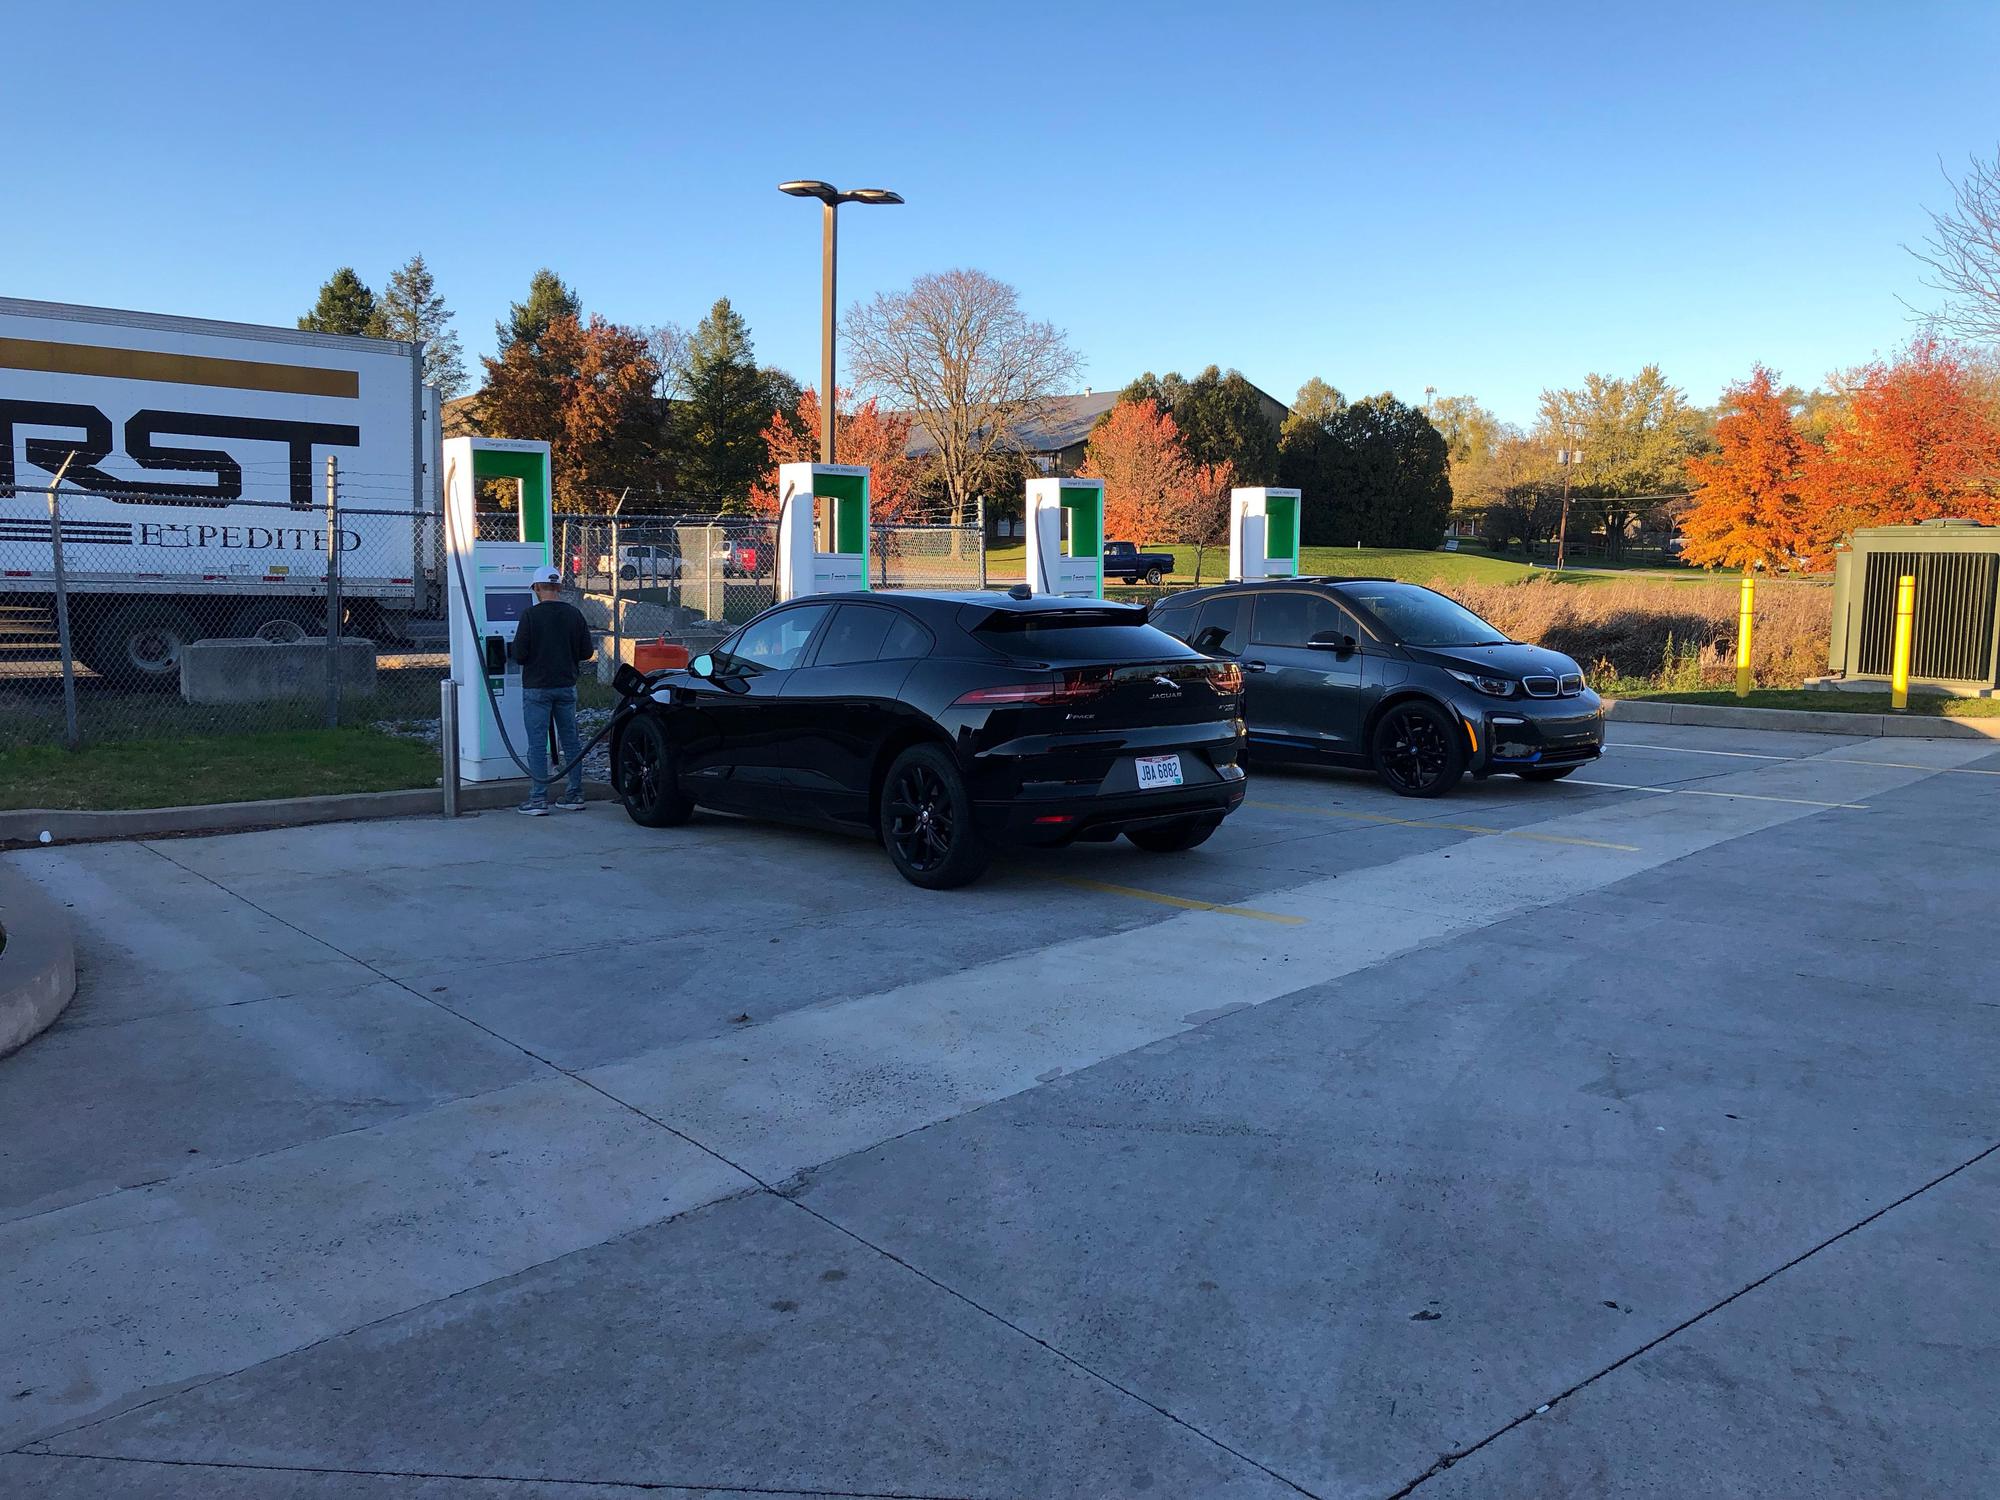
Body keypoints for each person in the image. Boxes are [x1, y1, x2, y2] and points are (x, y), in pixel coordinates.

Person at [509, 565, 595, 815]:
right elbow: (587, 652)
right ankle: (575, 794)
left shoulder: (529, 616)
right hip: (566, 686)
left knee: (537, 744)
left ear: (536, 588)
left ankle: (537, 800)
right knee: (571, 741)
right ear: (559, 587)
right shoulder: (574, 614)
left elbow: (520, 654)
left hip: (536, 688)